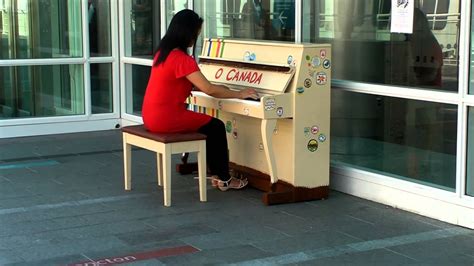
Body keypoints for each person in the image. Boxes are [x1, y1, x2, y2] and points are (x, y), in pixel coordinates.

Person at [142, 9, 258, 191]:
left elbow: (183, 84)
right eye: (196, 33)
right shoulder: (182, 59)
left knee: (209, 127)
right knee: (216, 127)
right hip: (166, 117)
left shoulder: (163, 53)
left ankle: (217, 173)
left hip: (150, 115)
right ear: (187, 33)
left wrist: (224, 90)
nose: (196, 37)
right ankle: (224, 179)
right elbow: (209, 89)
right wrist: (240, 93)